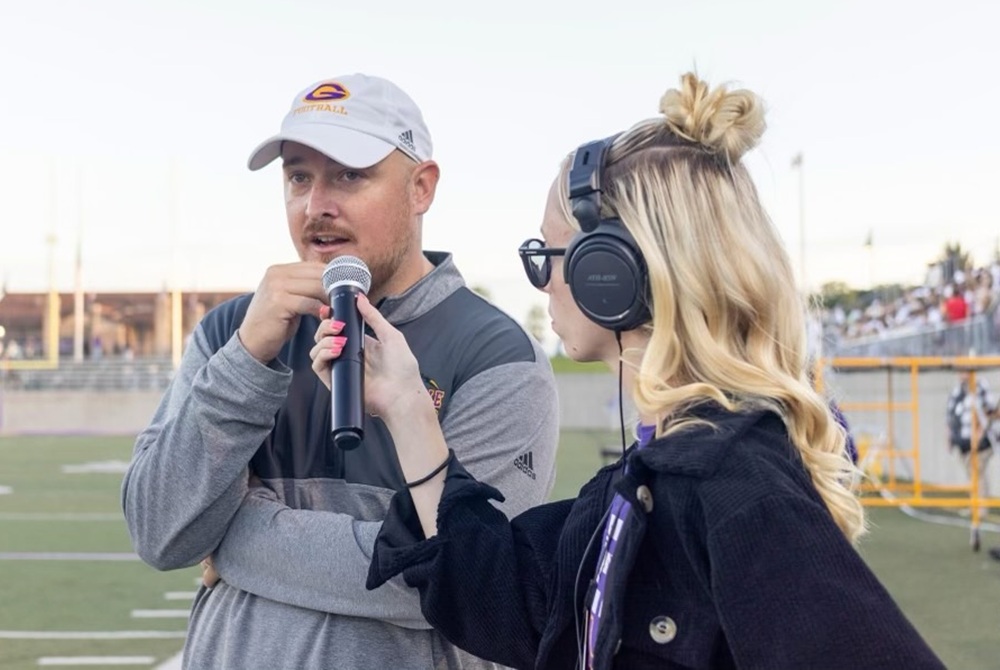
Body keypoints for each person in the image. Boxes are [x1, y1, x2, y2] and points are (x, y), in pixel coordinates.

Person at [312, 73, 945, 668]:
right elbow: (510, 598)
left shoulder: (735, 483)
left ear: (609, 273)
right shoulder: (658, 470)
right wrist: (406, 408)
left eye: (547, 255)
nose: (543, 282)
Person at [121, 73, 559, 669]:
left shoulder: (495, 353)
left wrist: (234, 535)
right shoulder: (233, 333)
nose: (315, 204)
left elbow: (459, 580)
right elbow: (159, 531)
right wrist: (247, 362)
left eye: (350, 175)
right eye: (299, 175)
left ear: (421, 187)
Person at [946, 369, 997, 510]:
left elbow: (991, 411)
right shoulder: (957, 392)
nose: (961, 373)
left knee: (976, 471)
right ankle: (977, 504)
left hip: (983, 443)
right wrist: (949, 439)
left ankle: (980, 508)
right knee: (972, 473)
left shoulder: (981, 386)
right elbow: (949, 417)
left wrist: (981, 430)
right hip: (964, 444)